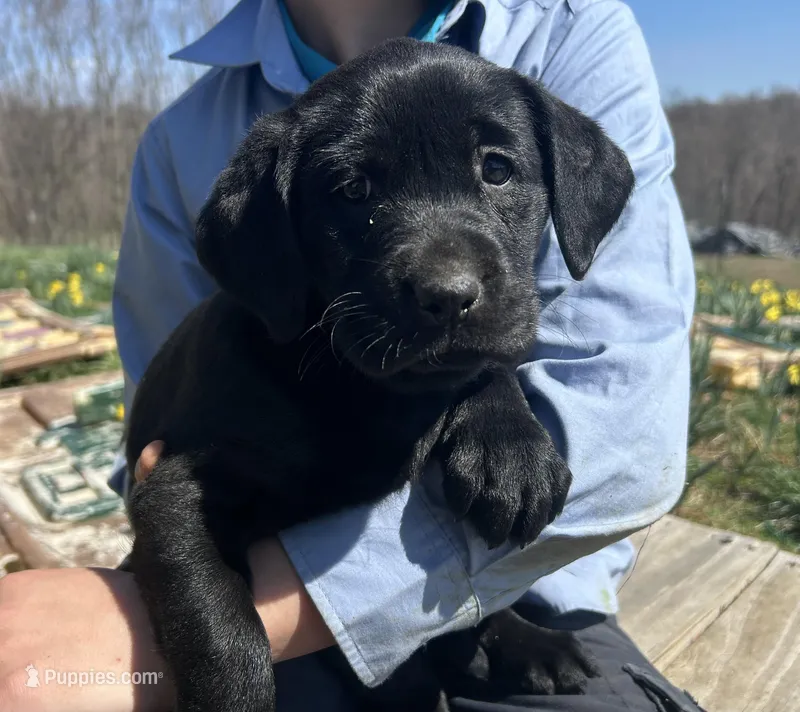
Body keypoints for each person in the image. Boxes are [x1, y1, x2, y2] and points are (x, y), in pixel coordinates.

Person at [0, 1, 700, 710]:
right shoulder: (187, 146)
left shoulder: (569, 30)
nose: (448, 277)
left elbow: (629, 430)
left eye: (496, 169)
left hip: (524, 586)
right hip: (245, 599)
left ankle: (475, 631)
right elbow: (164, 483)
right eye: (353, 189)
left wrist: (490, 392)